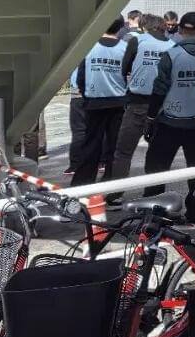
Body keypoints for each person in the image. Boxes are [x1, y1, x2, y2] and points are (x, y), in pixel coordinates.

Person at [144, 12, 195, 224]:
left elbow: (159, 90)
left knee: (156, 168)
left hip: (170, 121)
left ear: (180, 29)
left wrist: (150, 117)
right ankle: (194, 216)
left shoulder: (171, 56)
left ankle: (154, 214)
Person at [107, 14, 175, 199]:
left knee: (123, 151)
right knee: (157, 153)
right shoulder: (172, 46)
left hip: (138, 102)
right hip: (163, 105)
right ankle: (154, 196)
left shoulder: (138, 41)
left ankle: (115, 195)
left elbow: (124, 68)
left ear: (144, 27)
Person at [73, 17, 129, 186]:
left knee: (91, 144)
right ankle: (111, 183)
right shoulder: (125, 48)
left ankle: (83, 183)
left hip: (94, 102)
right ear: (120, 27)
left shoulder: (89, 46)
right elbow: (129, 74)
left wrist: (85, 94)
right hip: (118, 102)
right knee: (114, 144)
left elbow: (81, 76)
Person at [64, 66, 84, 176]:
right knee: (100, 129)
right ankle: (102, 161)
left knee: (79, 131)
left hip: (78, 95)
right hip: (98, 94)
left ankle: (75, 164)